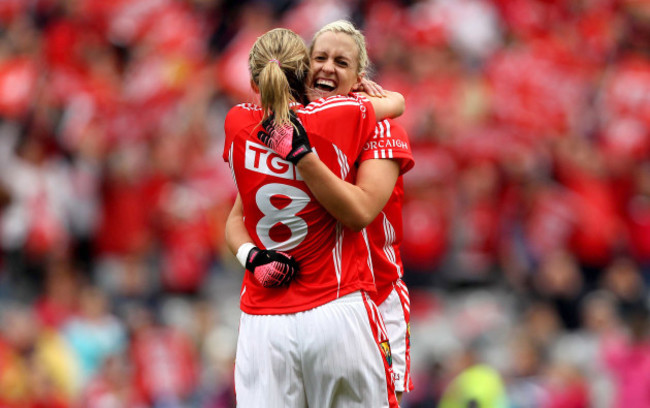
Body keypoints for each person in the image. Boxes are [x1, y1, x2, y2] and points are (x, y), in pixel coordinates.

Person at [226, 20, 415, 401]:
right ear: (301, 66)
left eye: (341, 63)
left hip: (373, 294)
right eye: (320, 57)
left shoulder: (380, 127)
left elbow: (361, 209)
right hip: (330, 300)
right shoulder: (313, 118)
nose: (328, 67)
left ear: (359, 77)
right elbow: (238, 216)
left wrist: (303, 157)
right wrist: (252, 256)